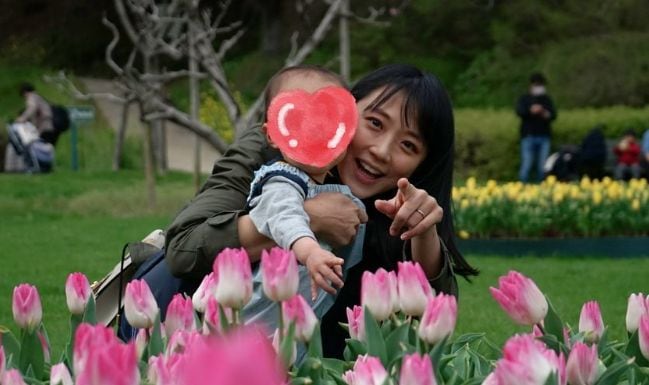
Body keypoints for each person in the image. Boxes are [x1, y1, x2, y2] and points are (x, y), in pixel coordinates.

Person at [124, 64, 478, 357]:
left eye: (408, 145)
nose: (382, 151)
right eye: (374, 123)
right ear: (342, 109)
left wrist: (425, 233)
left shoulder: (398, 199)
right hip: (193, 334)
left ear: (422, 164)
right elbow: (185, 247)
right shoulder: (270, 147)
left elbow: (434, 320)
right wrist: (308, 218)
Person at [242, 66, 366, 330]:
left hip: (297, 309)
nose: (314, 127)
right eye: (298, 118)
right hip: (263, 308)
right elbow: (285, 216)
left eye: (327, 118)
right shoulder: (281, 180)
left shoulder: (324, 184)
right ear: (271, 135)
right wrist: (309, 252)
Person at [515, 73, 557, 183]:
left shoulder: (546, 99)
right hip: (528, 136)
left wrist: (544, 113)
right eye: (537, 85)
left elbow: (553, 115)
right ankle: (522, 184)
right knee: (527, 163)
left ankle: (541, 185)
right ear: (532, 85)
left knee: (542, 165)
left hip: (544, 136)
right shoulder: (525, 99)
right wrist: (531, 110)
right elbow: (519, 112)